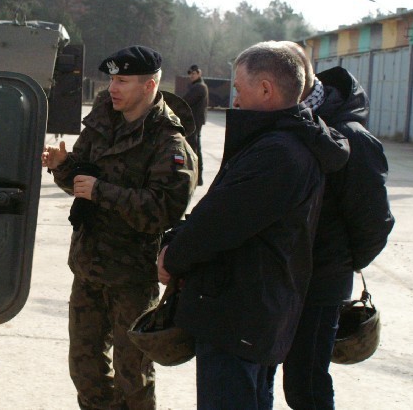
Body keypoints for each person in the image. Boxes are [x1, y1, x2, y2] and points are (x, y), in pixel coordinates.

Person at [157, 41, 350, 409]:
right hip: (259, 310)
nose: (235, 97)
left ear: (265, 89)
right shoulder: (286, 142)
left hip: (240, 314)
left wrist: (174, 256)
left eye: (239, 88)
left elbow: (219, 223)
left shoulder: (279, 153)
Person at [42, 45, 197, 410]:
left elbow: (164, 210)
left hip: (131, 276)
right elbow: (82, 183)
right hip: (88, 268)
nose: (113, 87)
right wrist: (64, 166)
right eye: (112, 78)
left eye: (123, 80)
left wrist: (102, 192)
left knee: (133, 378)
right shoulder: (101, 123)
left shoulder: (168, 142)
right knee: (85, 369)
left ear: (148, 86)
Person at [278, 42, 394, 409]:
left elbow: (374, 221)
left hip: (321, 280)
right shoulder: (283, 121)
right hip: (279, 273)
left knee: (306, 381)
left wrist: (338, 263)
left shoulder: (351, 136)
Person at [183, 64, 209, 185]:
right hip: (193, 123)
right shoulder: (197, 86)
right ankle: (197, 179)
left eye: (194, 73)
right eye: (190, 74)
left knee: (193, 150)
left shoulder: (199, 87)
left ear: (199, 73)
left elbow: (185, 101)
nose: (192, 76)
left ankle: (196, 178)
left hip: (193, 123)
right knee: (194, 149)